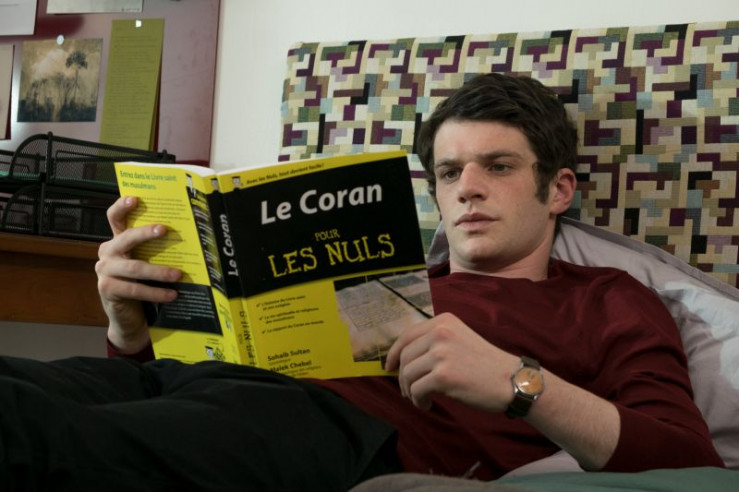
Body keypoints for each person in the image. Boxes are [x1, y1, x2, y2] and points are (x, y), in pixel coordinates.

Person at [0, 73, 723, 490]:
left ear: (558, 189)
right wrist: (128, 330)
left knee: (51, 441)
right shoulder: (391, 275)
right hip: (192, 380)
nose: (467, 188)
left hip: (338, 430)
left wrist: (516, 382)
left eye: (498, 167)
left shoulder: (607, 298)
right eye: (448, 172)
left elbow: (689, 462)